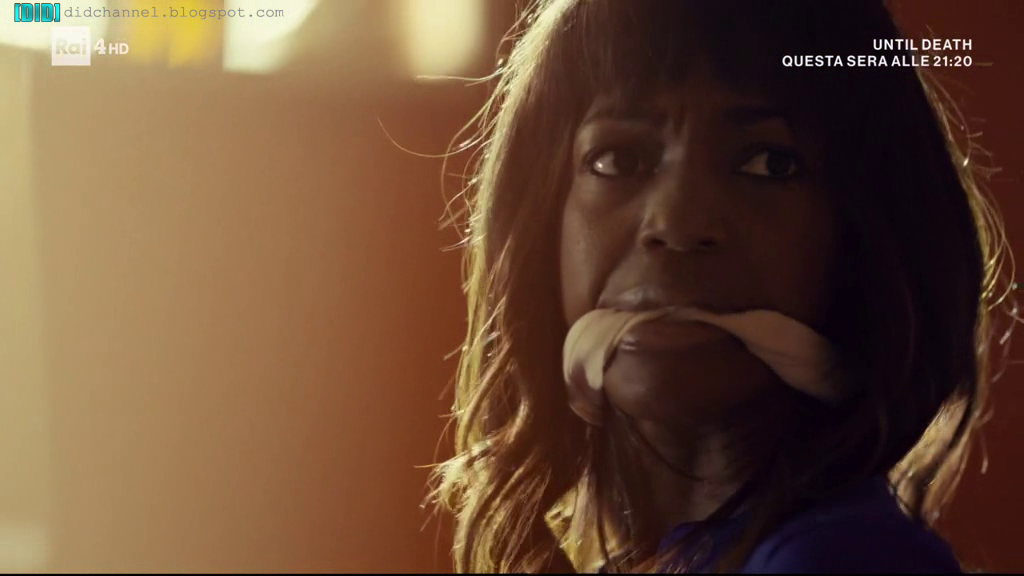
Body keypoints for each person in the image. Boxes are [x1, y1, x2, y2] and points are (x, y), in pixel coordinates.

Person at [428, 0, 1014, 572]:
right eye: (618, 160)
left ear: (869, 236)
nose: (677, 223)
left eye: (769, 163)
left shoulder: (842, 559)